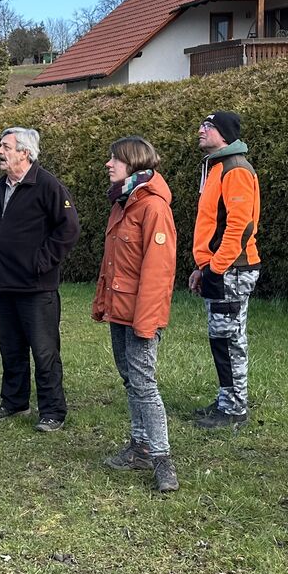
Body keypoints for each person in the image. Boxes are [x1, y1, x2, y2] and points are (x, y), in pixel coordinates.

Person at [92, 136, 179, 493]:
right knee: (131, 379)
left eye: (115, 159)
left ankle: (162, 460)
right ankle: (140, 446)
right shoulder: (122, 202)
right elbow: (114, 262)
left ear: (134, 164)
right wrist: (104, 303)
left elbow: (159, 272)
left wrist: (146, 322)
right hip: (120, 309)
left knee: (144, 384)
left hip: (139, 314)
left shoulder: (153, 207)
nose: (108, 165)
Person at [0, 127, 80, 433]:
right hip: (5, 283)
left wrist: (41, 263)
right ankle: (14, 402)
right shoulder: (0, 187)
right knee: (10, 347)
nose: (0, 151)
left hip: (37, 288)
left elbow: (69, 228)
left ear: (24, 152)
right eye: (1, 146)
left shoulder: (47, 185)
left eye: (6, 147)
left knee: (44, 350)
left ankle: (52, 411)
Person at [189, 111, 261, 431]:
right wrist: (202, 267)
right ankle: (227, 399)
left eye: (208, 127)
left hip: (232, 269)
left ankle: (234, 408)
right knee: (221, 338)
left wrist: (215, 268)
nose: (201, 130)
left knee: (230, 339)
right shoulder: (217, 167)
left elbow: (240, 227)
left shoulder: (235, 169)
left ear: (224, 134)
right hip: (220, 268)